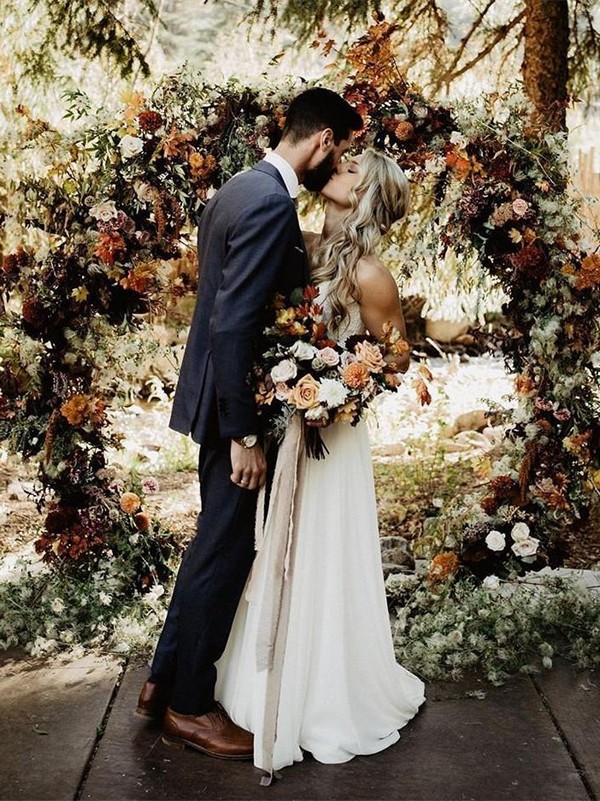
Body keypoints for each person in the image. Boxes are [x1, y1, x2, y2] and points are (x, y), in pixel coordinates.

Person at [135, 87, 363, 759]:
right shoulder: (269, 204)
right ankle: (190, 707)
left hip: (213, 393)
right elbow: (235, 320)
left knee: (213, 539)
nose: (341, 162)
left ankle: (160, 679)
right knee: (226, 549)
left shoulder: (240, 186)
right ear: (322, 141)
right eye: (343, 150)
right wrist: (242, 433)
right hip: (234, 406)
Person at [214, 149, 426, 778]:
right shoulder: (295, 244)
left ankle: (326, 695)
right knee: (273, 547)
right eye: (343, 156)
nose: (341, 164)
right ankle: (261, 680)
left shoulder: (372, 275)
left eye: (356, 166)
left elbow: (400, 355)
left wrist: (347, 376)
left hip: (334, 436)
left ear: (366, 195)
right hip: (285, 425)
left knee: (321, 550)